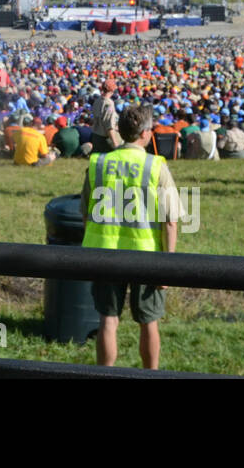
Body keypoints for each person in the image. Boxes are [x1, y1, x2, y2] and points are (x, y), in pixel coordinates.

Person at [81, 104, 179, 370]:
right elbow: (170, 220)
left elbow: (86, 213)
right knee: (149, 321)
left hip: (103, 253)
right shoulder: (156, 166)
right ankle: (150, 375)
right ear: (145, 133)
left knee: (108, 320)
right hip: (146, 255)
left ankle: (104, 374)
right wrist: (169, 265)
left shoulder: (99, 163)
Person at [91, 78, 121, 154]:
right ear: (112, 90)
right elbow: (109, 125)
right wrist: (115, 143)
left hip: (95, 135)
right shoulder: (109, 103)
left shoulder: (97, 101)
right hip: (104, 139)